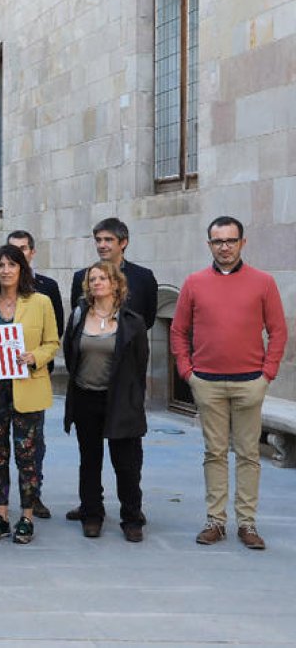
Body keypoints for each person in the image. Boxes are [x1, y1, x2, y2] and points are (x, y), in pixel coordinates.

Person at [171, 216, 287, 550]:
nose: (225, 247)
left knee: (249, 454)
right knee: (215, 453)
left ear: (242, 243)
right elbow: (178, 331)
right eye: (218, 241)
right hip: (206, 382)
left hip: (250, 382)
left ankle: (247, 523)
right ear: (209, 245)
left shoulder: (263, 282)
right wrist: (187, 372)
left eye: (231, 241)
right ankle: (215, 521)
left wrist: (268, 374)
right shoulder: (194, 283)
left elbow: (278, 330)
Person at [64, 217, 157, 523]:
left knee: (127, 459)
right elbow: (71, 345)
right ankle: (91, 509)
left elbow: (146, 331)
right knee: (89, 458)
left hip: (122, 390)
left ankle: (132, 512)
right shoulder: (82, 287)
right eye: (98, 240)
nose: (102, 245)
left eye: (108, 240)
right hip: (87, 392)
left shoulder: (143, 278)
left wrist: (134, 391)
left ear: (123, 242)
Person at [0, 244, 59, 545]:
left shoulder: (40, 302)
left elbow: (52, 342)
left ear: (22, 268)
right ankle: (1, 515)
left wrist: (35, 356)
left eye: (12, 264)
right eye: (1, 265)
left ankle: (26, 516)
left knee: (27, 457)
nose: (6, 270)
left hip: (28, 389)